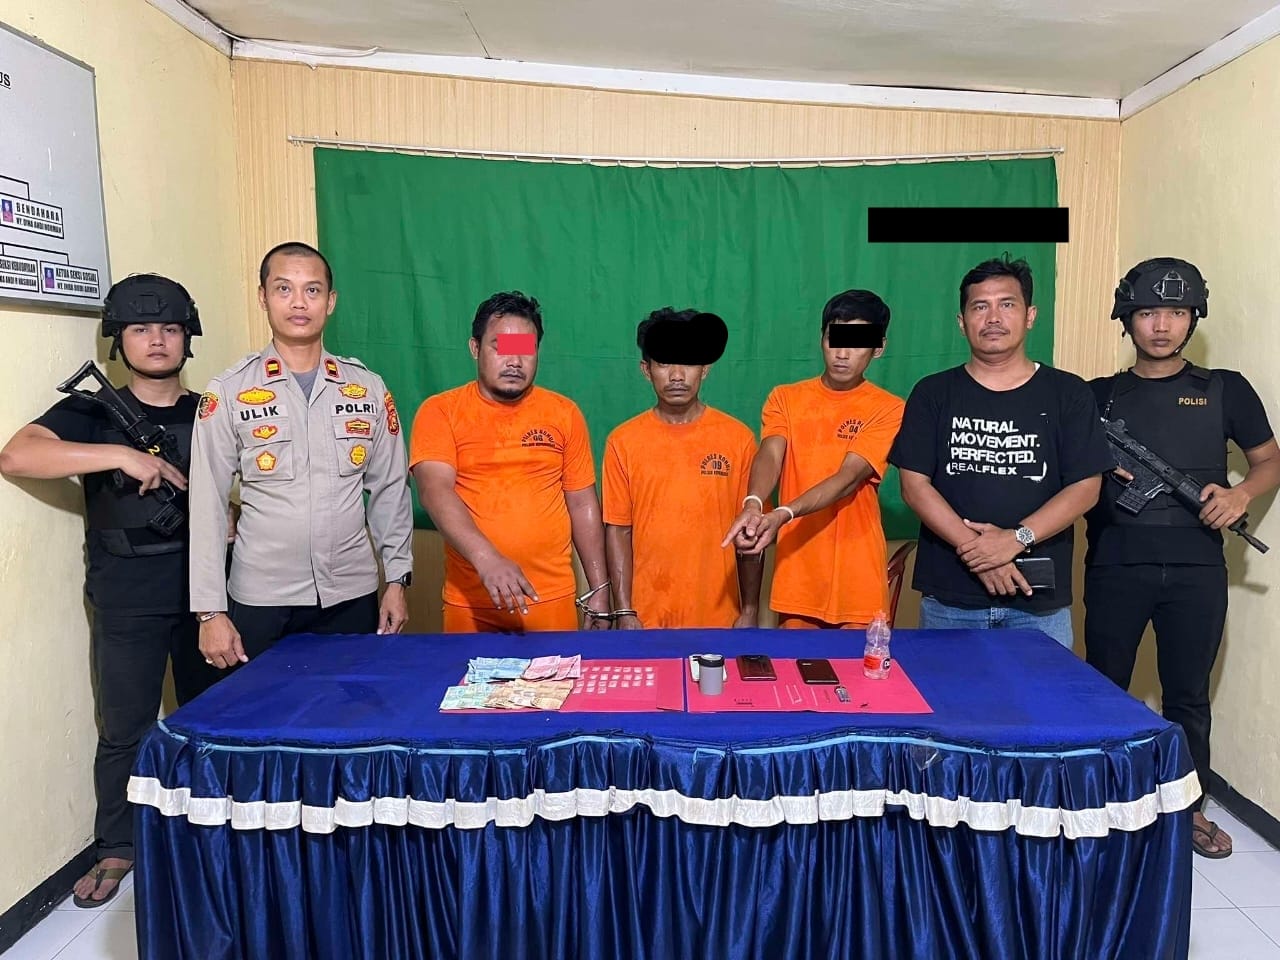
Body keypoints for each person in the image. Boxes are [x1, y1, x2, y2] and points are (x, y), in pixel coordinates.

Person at [0, 274, 220, 907]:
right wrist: (121, 457)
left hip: (208, 596)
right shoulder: (94, 412)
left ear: (187, 337)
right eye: (140, 329)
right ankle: (117, 846)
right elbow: (18, 455)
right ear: (118, 340)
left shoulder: (210, 409)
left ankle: (211, 825)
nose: (157, 340)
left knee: (213, 720)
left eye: (170, 328)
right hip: (127, 594)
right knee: (124, 727)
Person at [1084, 257, 1280, 859]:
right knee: (1103, 689)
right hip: (1116, 562)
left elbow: (1269, 459)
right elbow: (1065, 476)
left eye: (1176, 311)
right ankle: (1100, 801)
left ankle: (1189, 809)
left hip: (1197, 568)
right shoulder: (1096, 396)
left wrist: (1240, 494)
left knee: (1188, 696)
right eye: (1148, 312)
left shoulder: (1225, 388)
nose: (1162, 325)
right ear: (1127, 319)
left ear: (1194, 317)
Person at [188, 242, 414, 669]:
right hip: (262, 596)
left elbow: (390, 489)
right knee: (261, 709)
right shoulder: (230, 391)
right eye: (283, 289)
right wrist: (209, 610)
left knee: (349, 706)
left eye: (312, 290)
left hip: (350, 594)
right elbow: (207, 503)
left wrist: (397, 580)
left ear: (330, 301)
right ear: (263, 297)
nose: (298, 303)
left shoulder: (366, 388)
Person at [889, 255, 1112, 647]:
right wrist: (979, 552)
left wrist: (1015, 539)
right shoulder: (933, 393)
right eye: (980, 307)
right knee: (947, 690)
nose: (993, 317)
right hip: (950, 600)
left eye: (1007, 304)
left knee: (1041, 691)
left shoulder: (1069, 393)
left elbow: (1085, 487)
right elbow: (914, 486)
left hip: (1038, 604)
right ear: (962, 322)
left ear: (1030, 316)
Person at [409, 291, 611, 632]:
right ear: (475, 348)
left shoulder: (564, 413)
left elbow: (582, 503)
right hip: (470, 603)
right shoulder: (440, 411)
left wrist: (600, 590)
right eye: (501, 346)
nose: (515, 360)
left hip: (549, 600)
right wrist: (487, 559)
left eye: (525, 349)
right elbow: (434, 491)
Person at [721, 290, 905, 628]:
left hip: (857, 577)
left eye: (857, 343)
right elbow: (770, 453)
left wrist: (784, 513)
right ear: (822, 338)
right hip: (798, 574)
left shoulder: (889, 408)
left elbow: (848, 477)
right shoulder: (785, 398)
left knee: (857, 663)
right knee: (794, 662)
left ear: (878, 348)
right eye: (835, 338)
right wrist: (753, 502)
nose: (842, 354)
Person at [603, 308, 762, 628]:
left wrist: (749, 610)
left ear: (705, 368)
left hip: (720, 619)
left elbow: (751, 534)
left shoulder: (739, 439)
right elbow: (618, 530)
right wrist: (624, 611)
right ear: (646, 370)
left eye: (688, 362)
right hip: (645, 620)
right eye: (664, 362)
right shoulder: (622, 441)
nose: (677, 375)